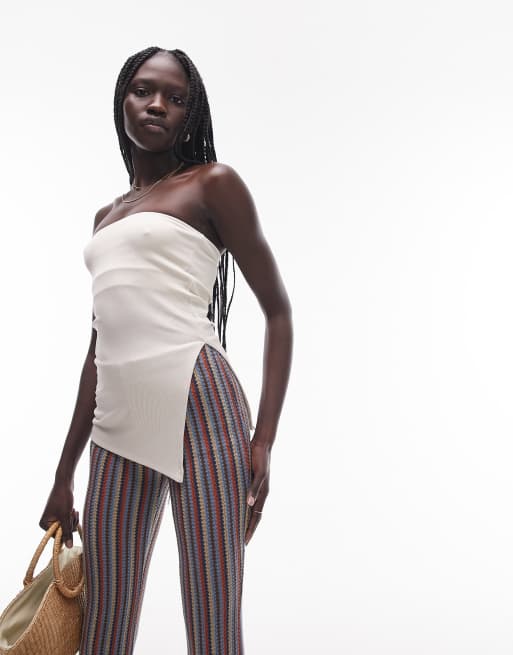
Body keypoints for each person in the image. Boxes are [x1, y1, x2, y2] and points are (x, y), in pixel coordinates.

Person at [38, 46, 293, 655]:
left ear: (190, 114)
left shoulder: (213, 184)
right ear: (122, 100)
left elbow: (279, 312)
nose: (157, 105)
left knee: (211, 619)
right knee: (102, 626)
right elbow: (98, 350)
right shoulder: (105, 217)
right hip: (116, 423)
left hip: (200, 404)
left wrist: (263, 438)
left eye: (176, 99)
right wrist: (64, 474)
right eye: (144, 91)